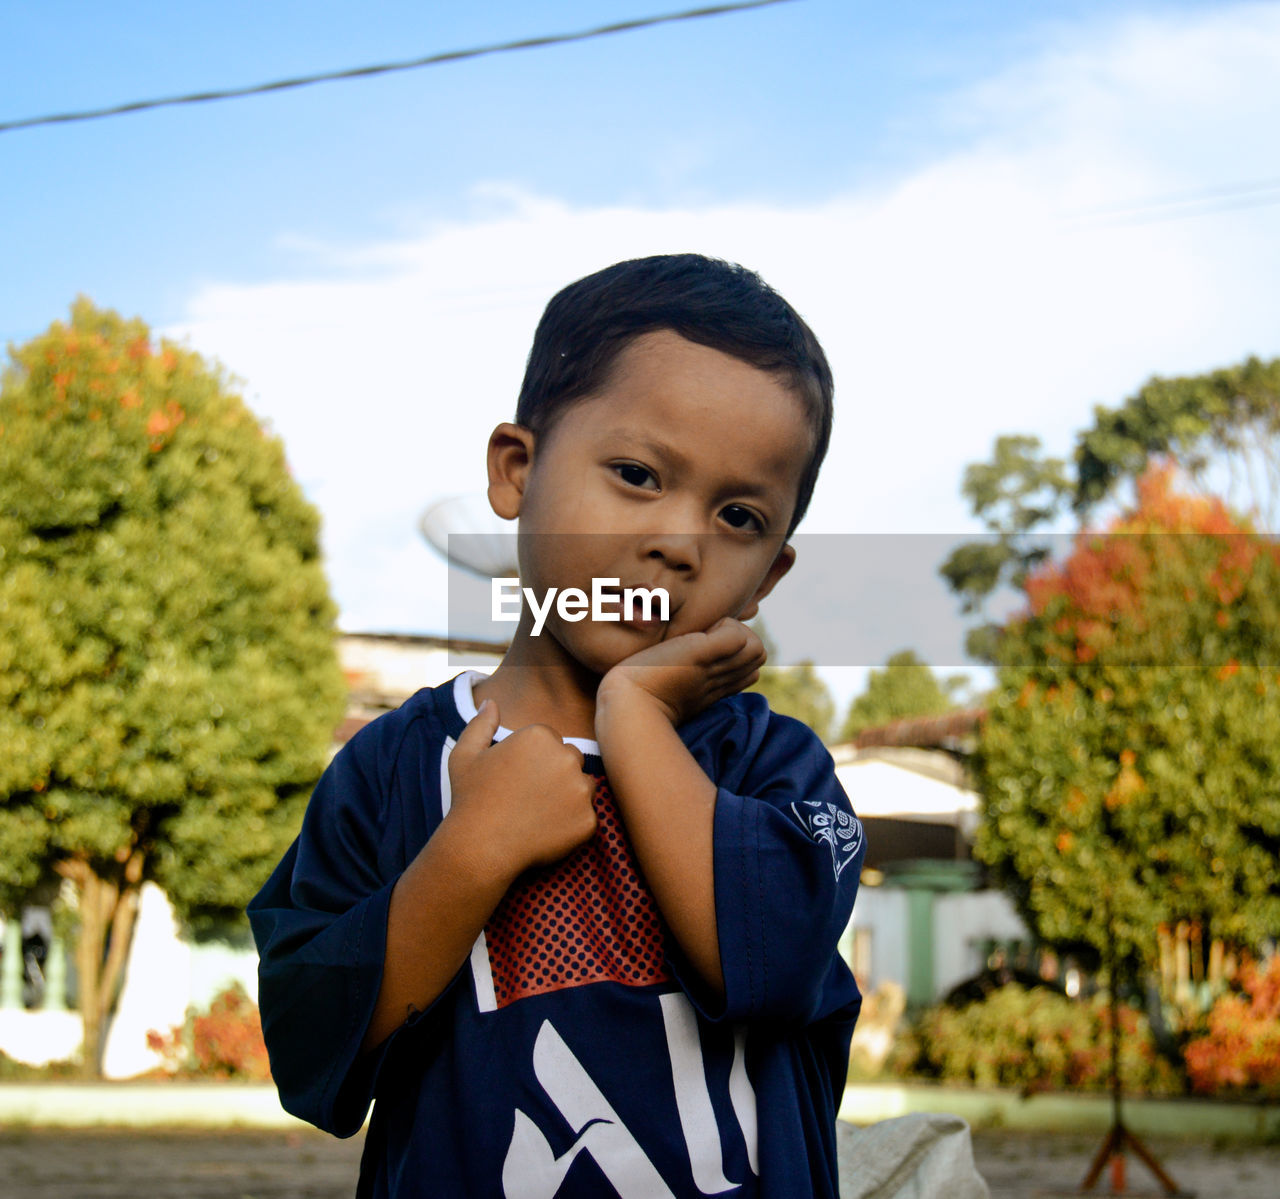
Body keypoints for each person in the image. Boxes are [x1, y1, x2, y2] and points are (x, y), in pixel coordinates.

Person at [249, 253, 866, 1198]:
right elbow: (311, 1052)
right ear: (516, 471)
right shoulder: (391, 769)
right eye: (636, 473)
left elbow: (769, 968)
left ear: (769, 576)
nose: (678, 540)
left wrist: (637, 716)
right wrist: (471, 850)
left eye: (736, 514)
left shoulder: (775, 768)